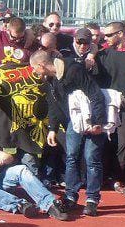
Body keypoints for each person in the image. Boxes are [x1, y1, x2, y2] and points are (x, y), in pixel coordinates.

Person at [30, 48, 107, 217]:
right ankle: (71, 196)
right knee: (71, 157)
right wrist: (52, 129)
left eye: (34, 68)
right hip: (73, 121)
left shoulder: (74, 70)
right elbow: (53, 105)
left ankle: (92, 200)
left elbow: (95, 94)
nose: (34, 72)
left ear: (41, 65)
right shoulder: (49, 80)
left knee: (91, 158)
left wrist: (98, 122)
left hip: (92, 118)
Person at [0, 128, 68, 220]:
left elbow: (9, 157)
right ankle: (20, 205)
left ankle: (50, 204)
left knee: (21, 169)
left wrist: (3, 159)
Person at [96, 21, 125, 194]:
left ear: (121, 34)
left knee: (123, 144)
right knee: (104, 142)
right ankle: (102, 176)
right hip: (106, 105)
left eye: (109, 35)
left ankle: (119, 178)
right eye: (105, 35)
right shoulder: (102, 55)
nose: (106, 38)